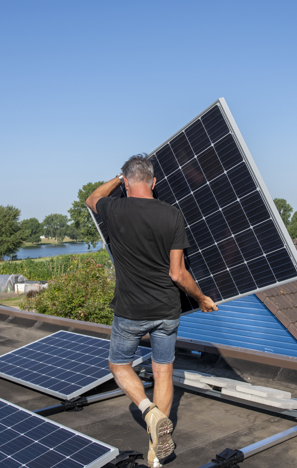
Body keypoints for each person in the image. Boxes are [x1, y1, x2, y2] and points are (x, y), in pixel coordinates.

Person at [86, 154, 218, 468]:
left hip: (130, 310)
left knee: (119, 366)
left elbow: (93, 198)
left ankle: (149, 412)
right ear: (154, 182)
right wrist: (200, 298)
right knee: (163, 372)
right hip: (167, 309)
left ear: (127, 182)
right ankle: (157, 452)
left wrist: (118, 180)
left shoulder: (114, 208)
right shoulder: (172, 214)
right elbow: (178, 273)